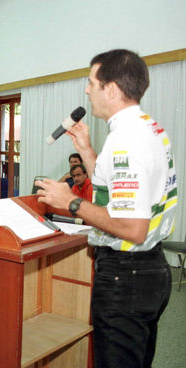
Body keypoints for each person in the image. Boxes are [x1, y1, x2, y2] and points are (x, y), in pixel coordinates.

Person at [35, 49, 176, 368]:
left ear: (110, 89)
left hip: (126, 276)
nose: (86, 90)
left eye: (91, 82)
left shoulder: (127, 141)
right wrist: (86, 150)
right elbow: (121, 191)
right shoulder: (148, 128)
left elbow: (132, 228)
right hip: (150, 269)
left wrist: (70, 202)